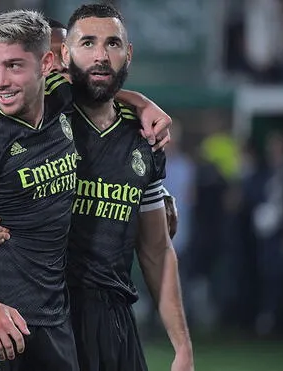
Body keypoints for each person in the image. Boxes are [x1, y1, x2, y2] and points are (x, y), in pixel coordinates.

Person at [0, 9, 175, 371]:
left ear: (46, 65)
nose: (0, 81)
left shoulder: (58, 101)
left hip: (51, 327)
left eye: (14, 66)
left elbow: (99, 88)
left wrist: (142, 103)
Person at [60, 4, 193, 370]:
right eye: (88, 43)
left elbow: (157, 251)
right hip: (50, 314)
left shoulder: (144, 140)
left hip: (117, 320)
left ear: (128, 53)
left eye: (113, 43)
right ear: (64, 54)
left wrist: (182, 347)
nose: (101, 55)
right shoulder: (43, 120)